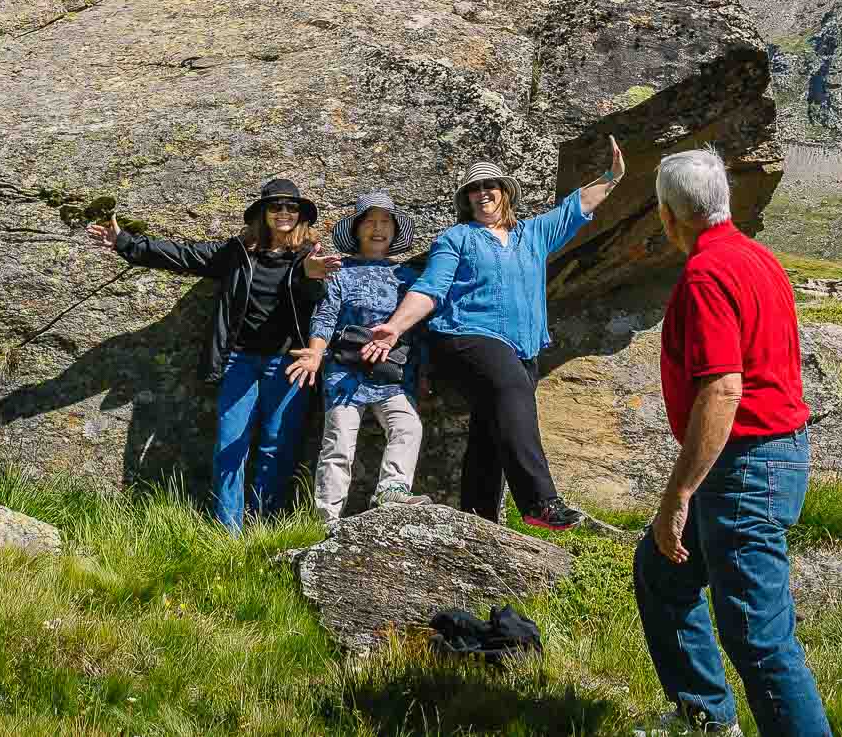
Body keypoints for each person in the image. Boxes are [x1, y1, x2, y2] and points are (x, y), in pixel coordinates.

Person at [632, 146, 829, 737]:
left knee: (758, 637)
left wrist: (679, 492)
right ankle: (706, 717)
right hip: (763, 458)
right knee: (662, 573)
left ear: (669, 216)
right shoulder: (757, 258)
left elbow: (722, 390)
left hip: (746, 466)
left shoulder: (704, 275)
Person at [362, 137, 623, 531]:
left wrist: (613, 177)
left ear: (505, 194)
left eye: (490, 186)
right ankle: (540, 502)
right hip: (465, 335)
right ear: (466, 200)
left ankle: (478, 519)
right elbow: (431, 288)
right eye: (474, 189)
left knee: (494, 425)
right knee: (511, 391)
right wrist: (394, 328)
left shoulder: (533, 235)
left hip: (522, 348)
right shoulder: (457, 238)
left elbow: (577, 206)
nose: (483, 193)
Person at [87, 179, 337, 531]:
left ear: (300, 216)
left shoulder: (309, 256)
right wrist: (125, 242)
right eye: (275, 207)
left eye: (291, 208)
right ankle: (228, 534)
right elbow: (183, 256)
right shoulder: (237, 253)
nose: (284, 213)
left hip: (289, 365)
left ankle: (264, 531)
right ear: (262, 214)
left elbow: (320, 303)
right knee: (228, 446)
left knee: (276, 449)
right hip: (240, 362)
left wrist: (309, 276)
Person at [284, 192, 429, 526]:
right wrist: (315, 354)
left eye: (385, 222)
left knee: (407, 425)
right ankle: (325, 519)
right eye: (370, 222)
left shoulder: (407, 277)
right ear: (357, 229)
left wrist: (423, 375)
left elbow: (416, 330)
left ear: (394, 231)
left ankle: (392, 490)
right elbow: (325, 316)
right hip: (344, 371)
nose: (378, 229)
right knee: (339, 441)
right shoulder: (340, 271)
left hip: (390, 373)